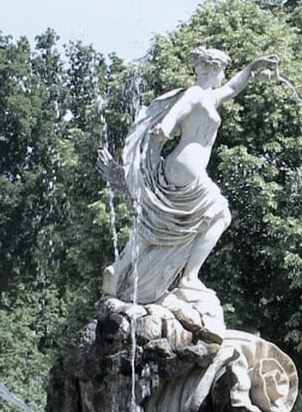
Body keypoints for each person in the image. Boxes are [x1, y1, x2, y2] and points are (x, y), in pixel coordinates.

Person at [102, 47, 280, 308]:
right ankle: (189, 278)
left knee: (160, 222)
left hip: (185, 168)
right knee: (220, 214)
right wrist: (165, 128)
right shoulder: (195, 94)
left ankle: (118, 269)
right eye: (222, 70)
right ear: (213, 69)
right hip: (186, 169)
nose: (224, 76)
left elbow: (233, 87)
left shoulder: (209, 97)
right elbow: (175, 114)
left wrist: (253, 68)